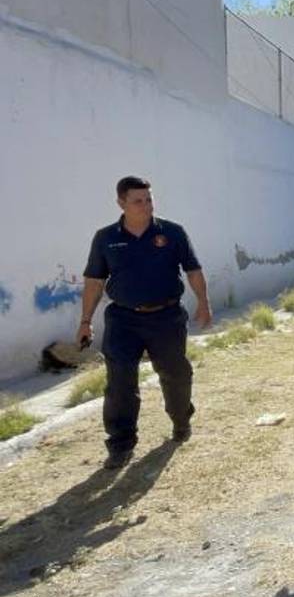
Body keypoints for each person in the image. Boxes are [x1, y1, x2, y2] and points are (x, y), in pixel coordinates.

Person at [78, 176, 212, 470]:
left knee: (176, 374)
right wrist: (86, 321)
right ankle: (121, 444)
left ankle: (180, 420)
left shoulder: (172, 232)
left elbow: (193, 269)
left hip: (166, 317)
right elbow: (94, 281)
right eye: (138, 200)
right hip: (123, 319)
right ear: (121, 203)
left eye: (149, 199)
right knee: (120, 383)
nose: (146, 205)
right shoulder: (105, 238)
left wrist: (203, 301)